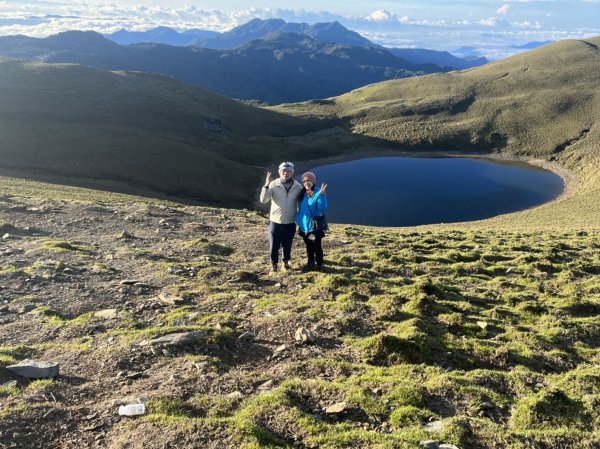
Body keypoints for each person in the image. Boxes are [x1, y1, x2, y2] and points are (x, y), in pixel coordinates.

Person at [260, 161, 303, 272]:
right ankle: (274, 266)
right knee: (273, 246)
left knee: (287, 245)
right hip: (275, 221)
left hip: (290, 222)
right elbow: (263, 200)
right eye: (283, 171)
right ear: (279, 172)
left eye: (288, 171)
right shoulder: (273, 184)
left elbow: (302, 203)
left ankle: (285, 264)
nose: (286, 173)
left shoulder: (298, 187)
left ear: (292, 173)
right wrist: (266, 185)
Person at [296, 171, 328, 271]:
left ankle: (319, 265)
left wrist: (322, 195)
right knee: (309, 245)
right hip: (304, 226)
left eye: (308, 180)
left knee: (317, 245)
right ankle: (310, 263)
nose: (306, 182)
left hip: (314, 226)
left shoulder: (319, 191)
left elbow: (323, 208)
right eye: (304, 181)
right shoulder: (302, 192)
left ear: (313, 181)